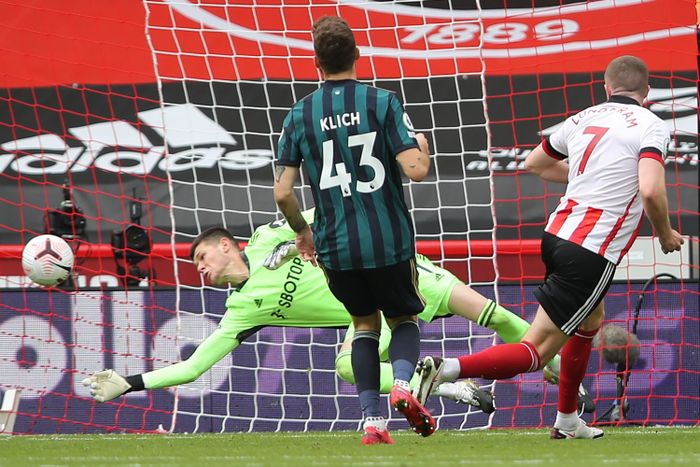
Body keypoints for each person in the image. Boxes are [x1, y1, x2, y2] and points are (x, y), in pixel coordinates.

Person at [82, 211, 568, 431]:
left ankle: (560, 372)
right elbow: (193, 368)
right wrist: (130, 383)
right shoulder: (241, 311)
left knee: (495, 315)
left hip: (400, 275)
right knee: (347, 366)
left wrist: (299, 238)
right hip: (366, 315)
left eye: (202, 257)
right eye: (196, 266)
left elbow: (325, 213)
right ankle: (447, 386)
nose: (201, 269)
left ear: (226, 245)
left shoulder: (267, 237)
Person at [414, 55, 684, 440]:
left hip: (557, 234)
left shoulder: (583, 116)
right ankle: (446, 370)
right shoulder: (650, 124)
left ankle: (568, 419)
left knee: (589, 322)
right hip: (591, 248)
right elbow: (651, 189)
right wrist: (666, 233)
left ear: (606, 88)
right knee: (537, 350)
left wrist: (587, 177)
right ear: (648, 92)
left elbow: (535, 162)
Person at [272, 15, 435, 444]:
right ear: (358, 55)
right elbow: (416, 171)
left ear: (316, 63)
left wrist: (302, 231)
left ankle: (372, 422)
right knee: (402, 318)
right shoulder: (382, 102)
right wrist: (423, 148)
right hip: (388, 239)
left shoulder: (298, 115)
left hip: (335, 245)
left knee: (363, 323)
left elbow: (283, 193)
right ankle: (403, 385)